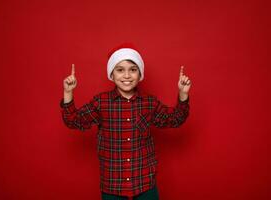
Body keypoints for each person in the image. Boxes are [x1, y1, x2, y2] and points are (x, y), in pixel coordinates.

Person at [60, 44, 191, 200]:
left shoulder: (149, 103)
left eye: (133, 70)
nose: (127, 75)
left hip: (144, 181)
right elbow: (73, 121)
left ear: (140, 74)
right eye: (120, 70)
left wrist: (183, 94)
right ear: (112, 74)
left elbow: (175, 119)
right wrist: (68, 92)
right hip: (113, 183)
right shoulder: (101, 102)